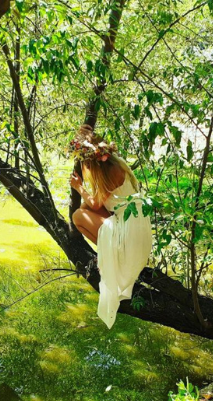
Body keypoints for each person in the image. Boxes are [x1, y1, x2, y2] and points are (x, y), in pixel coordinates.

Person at [68, 124, 152, 328]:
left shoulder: (109, 172)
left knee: (78, 216)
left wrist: (78, 187)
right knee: (84, 212)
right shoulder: (115, 163)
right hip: (137, 224)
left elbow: (94, 204)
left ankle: (113, 254)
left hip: (130, 230)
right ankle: (112, 250)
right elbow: (96, 203)